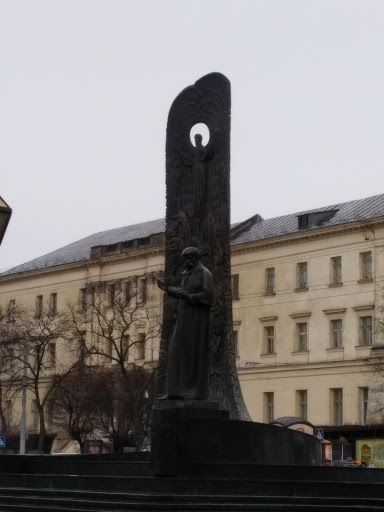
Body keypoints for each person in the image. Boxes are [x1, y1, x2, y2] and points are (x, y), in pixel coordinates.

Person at [157, 247, 214, 400]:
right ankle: (174, 391)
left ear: (196, 258)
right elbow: (183, 292)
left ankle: (192, 391)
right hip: (183, 318)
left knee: (192, 353)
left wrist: (189, 297)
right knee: (176, 351)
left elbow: (208, 296)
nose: (186, 261)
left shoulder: (204, 274)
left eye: (189, 258)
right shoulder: (186, 274)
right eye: (185, 258)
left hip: (196, 320)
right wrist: (168, 289)